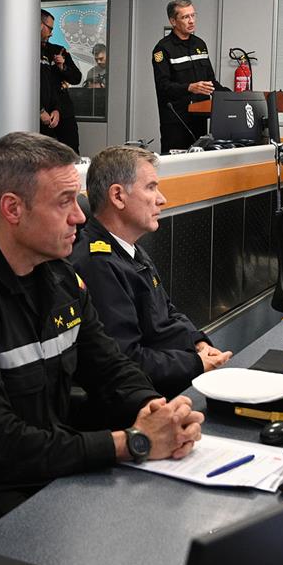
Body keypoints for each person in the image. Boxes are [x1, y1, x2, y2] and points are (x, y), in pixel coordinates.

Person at [0, 131, 204, 550]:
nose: (80, 217)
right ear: (13, 208)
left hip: (49, 475)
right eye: (64, 202)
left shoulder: (62, 277)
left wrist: (157, 411)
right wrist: (131, 443)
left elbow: (110, 367)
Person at [70, 146, 232, 397]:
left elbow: (166, 313)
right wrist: (196, 363)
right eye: (151, 187)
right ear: (118, 196)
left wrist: (197, 343)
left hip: (165, 379)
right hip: (139, 402)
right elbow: (126, 359)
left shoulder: (129, 248)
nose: (162, 199)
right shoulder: (98, 264)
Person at [152, 0, 226, 154]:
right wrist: (190, 88)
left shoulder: (200, 44)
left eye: (193, 15)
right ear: (173, 21)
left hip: (199, 120)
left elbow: (211, 82)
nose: (191, 21)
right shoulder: (162, 49)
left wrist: (234, 97)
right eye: (185, 17)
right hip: (176, 123)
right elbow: (163, 86)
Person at [39, 9, 82, 152]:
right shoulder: (24, 50)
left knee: (71, 152)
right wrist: (40, 110)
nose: (51, 33)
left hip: (63, 111)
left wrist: (63, 67)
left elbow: (76, 78)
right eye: (50, 28)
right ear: (39, 25)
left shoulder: (59, 51)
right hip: (40, 114)